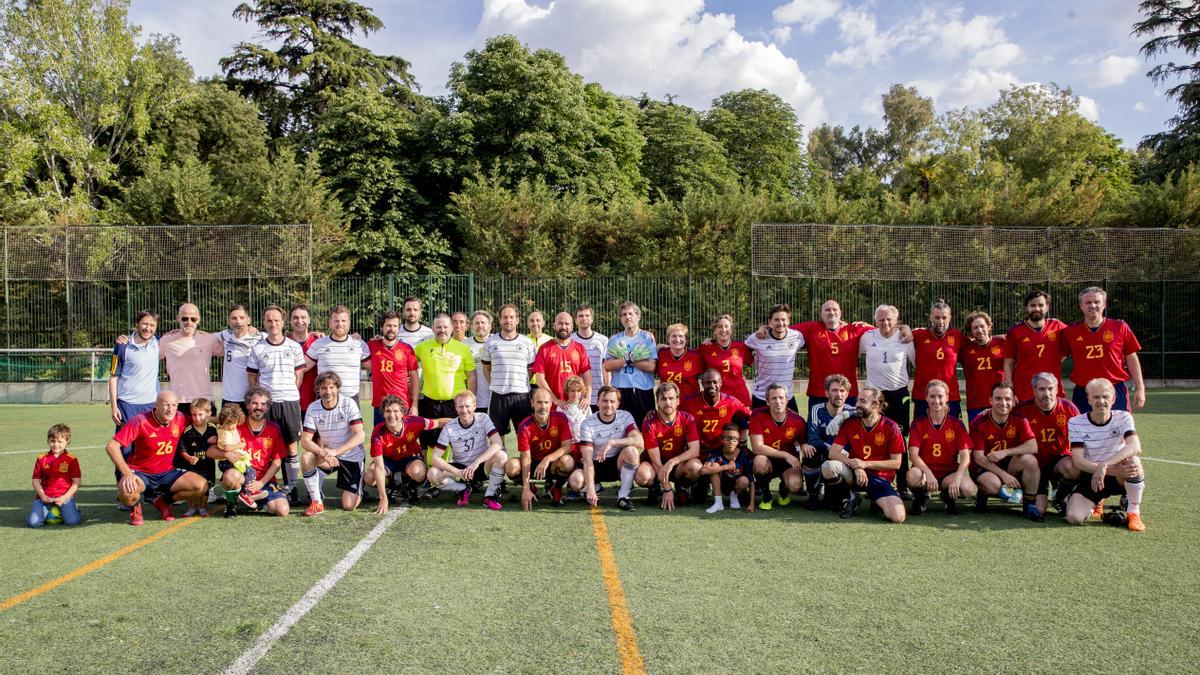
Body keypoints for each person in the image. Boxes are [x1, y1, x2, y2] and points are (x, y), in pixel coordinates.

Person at [106, 391, 208, 525]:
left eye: (174, 405)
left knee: (201, 486)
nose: (170, 409)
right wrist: (127, 474)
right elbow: (112, 446)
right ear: (156, 405)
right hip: (141, 473)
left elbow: (200, 420)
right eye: (166, 405)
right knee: (127, 493)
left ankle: (163, 501)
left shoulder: (180, 418)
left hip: (168, 473)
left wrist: (223, 421)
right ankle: (135, 507)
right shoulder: (140, 421)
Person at [1064, 378, 1146, 531]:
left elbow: (1135, 445)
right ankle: (1098, 500)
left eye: (1105, 396)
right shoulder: (1076, 422)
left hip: (1119, 474)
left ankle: (1134, 512)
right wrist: (1103, 469)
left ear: (1113, 399)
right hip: (1093, 477)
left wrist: (1104, 465)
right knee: (1073, 517)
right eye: (1096, 397)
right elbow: (1078, 461)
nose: (1101, 401)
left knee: (1133, 463)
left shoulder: (1123, 417)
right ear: (1089, 399)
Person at [246, 305, 305, 500]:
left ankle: (291, 488)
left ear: (283, 322)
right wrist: (262, 397)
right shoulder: (258, 348)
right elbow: (252, 377)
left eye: (276, 320)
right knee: (267, 446)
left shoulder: (294, 347)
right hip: (267, 405)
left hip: (289, 402)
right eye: (269, 320)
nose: (273, 324)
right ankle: (263, 485)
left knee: (291, 447)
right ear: (264, 323)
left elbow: (299, 375)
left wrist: (288, 391)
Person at [822, 387, 906, 522]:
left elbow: (896, 463)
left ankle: (875, 499)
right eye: (857, 400)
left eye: (863, 401)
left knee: (898, 517)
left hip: (880, 478)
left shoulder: (891, 427)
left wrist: (865, 464)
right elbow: (833, 453)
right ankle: (850, 497)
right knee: (828, 467)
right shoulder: (850, 423)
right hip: (854, 473)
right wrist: (857, 466)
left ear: (876, 404)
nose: (857, 405)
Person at [1059, 286, 1146, 413]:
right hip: (1083, 391)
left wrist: (1140, 387)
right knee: (1084, 432)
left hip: (1114, 389)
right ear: (1081, 306)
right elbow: (1058, 358)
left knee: (1120, 431)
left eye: (1096, 302)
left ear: (1104, 304)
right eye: (1088, 302)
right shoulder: (1070, 332)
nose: (1092, 305)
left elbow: (1131, 356)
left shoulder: (1119, 327)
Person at [860, 304, 915, 497]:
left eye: (889, 319)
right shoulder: (867, 337)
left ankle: (902, 484)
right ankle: (872, 482)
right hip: (875, 395)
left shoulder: (905, 338)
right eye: (881, 319)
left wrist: (906, 328)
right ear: (875, 321)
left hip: (898, 394)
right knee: (873, 437)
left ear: (896, 320)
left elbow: (917, 363)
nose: (885, 322)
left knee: (900, 439)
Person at [365, 394, 450, 513]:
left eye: (396, 411)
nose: (392, 415)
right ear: (383, 413)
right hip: (388, 460)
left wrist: (460, 420)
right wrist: (383, 497)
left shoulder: (413, 422)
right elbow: (379, 466)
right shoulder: (378, 432)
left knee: (418, 472)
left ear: (402, 413)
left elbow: (438, 422)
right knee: (369, 477)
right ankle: (391, 486)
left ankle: (413, 485)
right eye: (388, 411)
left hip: (409, 457)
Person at [970, 382, 1042, 521]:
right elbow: (978, 458)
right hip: (985, 468)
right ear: (990, 400)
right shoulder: (979, 422)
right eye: (998, 398)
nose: (1003, 403)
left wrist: (1006, 452)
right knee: (992, 485)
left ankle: (1029, 505)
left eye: (1008, 399)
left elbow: (1033, 446)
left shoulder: (1020, 419)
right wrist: (1004, 476)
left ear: (1013, 400)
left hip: (1010, 465)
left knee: (1030, 460)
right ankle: (983, 493)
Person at [212, 387, 289, 517]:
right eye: (254, 403)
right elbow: (211, 451)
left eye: (263, 404)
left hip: (263, 480)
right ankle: (231, 505)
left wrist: (261, 483)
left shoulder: (274, 429)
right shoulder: (234, 425)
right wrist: (226, 454)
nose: (258, 407)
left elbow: (276, 463)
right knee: (231, 477)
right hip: (241, 476)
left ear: (267, 407)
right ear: (247, 405)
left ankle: (258, 501)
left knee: (282, 510)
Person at [300, 372, 367, 516]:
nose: (328, 391)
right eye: (324, 388)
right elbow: (305, 440)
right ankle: (317, 502)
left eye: (331, 387)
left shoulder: (348, 403)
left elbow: (360, 435)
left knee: (349, 506)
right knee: (306, 458)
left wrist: (336, 451)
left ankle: (359, 480)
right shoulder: (313, 407)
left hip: (352, 457)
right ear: (318, 389)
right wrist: (323, 453)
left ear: (337, 388)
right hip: (328, 456)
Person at [427, 390, 507, 510]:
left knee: (501, 455)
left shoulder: (483, 418)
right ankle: (462, 489)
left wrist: (476, 463)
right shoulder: (449, 427)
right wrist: (457, 472)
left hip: (481, 466)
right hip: (462, 468)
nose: (464, 410)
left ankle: (490, 496)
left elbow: (497, 443)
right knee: (432, 474)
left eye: (467, 406)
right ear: (456, 407)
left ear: (474, 406)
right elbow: (435, 458)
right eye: (460, 406)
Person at [1015, 372, 1081, 515]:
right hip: (1035, 464)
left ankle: (1059, 496)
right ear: (1034, 391)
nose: (1047, 393)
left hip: (1059, 460)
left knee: (1073, 467)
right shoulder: (1022, 410)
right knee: (1039, 510)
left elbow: (1082, 440)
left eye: (1050, 388)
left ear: (1057, 390)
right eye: (1042, 389)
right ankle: (1028, 492)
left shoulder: (1069, 408)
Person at [905, 380, 975, 516]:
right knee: (912, 475)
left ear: (947, 397)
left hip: (948, 473)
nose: (936, 401)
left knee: (968, 489)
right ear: (926, 397)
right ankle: (920, 498)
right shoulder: (918, 423)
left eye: (940, 396)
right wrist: (929, 473)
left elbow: (965, 457)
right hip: (925, 474)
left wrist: (957, 479)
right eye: (932, 396)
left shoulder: (956, 424)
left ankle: (947, 496)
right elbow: (913, 455)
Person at [789, 299, 876, 408]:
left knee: (848, 425)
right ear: (821, 314)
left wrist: (903, 328)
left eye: (835, 309)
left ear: (840, 313)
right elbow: (782, 330)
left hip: (847, 393)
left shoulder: (854, 329)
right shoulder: (811, 329)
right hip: (819, 392)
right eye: (827, 310)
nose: (831, 312)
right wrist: (766, 328)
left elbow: (885, 330)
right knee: (817, 425)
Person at [414, 314, 478, 452]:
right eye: (438, 327)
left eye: (445, 327)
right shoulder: (422, 347)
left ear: (451, 328)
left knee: (457, 441)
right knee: (431, 443)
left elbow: (471, 376)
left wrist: (471, 400)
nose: (442, 330)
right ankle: (432, 471)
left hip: (455, 404)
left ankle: (457, 472)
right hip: (430, 403)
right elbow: (405, 358)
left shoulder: (462, 348)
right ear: (432, 328)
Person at [574, 386, 644, 511]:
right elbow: (587, 459)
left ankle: (623, 497)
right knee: (575, 481)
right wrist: (590, 489)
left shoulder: (625, 416)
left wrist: (613, 442)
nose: (608, 404)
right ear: (597, 402)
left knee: (632, 451)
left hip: (616, 464)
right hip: (595, 465)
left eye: (612, 401)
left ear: (618, 404)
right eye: (605, 400)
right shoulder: (588, 423)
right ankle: (595, 486)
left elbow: (639, 441)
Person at [637, 382, 702, 511]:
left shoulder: (688, 419)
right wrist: (667, 489)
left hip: (677, 466)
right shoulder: (649, 423)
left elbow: (695, 450)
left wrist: (672, 462)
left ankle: (682, 488)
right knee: (642, 475)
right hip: (655, 466)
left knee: (695, 466)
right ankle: (656, 487)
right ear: (658, 402)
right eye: (663, 399)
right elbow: (656, 461)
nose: (667, 402)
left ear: (678, 400)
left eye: (671, 398)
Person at [508, 388, 575, 509]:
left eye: (545, 402)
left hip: (553, 464)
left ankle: (557, 488)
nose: (543, 406)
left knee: (568, 461)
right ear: (532, 403)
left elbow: (567, 447)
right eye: (539, 402)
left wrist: (547, 459)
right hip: (533, 465)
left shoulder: (560, 418)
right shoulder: (525, 426)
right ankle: (531, 489)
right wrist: (526, 488)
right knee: (511, 466)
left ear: (551, 403)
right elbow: (526, 458)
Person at [748, 382, 808, 511]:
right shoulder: (757, 415)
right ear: (767, 401)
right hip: (768, 458)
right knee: (759, 462)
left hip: (789, 463)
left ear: (787, 400)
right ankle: (766, 495)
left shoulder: (798, 421)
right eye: (773, 398)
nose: (778, 401)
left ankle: (783, 490)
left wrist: (804, 449)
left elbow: (804, 444)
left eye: (781, 398)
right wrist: (786, 455)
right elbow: (757, 448)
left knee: (795, 485)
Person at [158, 303, 223, 417]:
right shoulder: (166, 340)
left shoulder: (209, 339)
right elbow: (147, 352)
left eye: (193, 319)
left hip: (204, 400)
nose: (189, 322)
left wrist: (249, 330)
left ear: (198, 319)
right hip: (178, 402)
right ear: (178, 318)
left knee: (210, 435)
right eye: (185, 318)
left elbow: (233, 348)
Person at [481, 304, 536, 439]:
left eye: (512, 317)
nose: (508, 320)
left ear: (517, 320)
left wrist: (519, 383)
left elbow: (531, 369)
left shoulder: (527, 343)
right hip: (498, 396)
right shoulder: (490, 342)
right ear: (500, 320)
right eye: (505, 317)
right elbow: (486, 368)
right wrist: (495, 383)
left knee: (525, 437)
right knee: (497, 439)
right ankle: (501, 460)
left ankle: (526, 461)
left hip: (521, 396)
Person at [1002, 290, 1066, 404]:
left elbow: (1071, 347)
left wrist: (1056, 359)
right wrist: (1010, 390)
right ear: (1027, 307)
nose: (1036, 308)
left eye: (1040, 305)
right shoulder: (1015, 331)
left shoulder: (1058, 327)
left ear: (1047, 307)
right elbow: (1008, 363)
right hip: (1024, 390)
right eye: (1032, 305)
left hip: (1051, 389)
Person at [805, 374, 856, 510]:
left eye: (842, 391)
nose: (838, 394)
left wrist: (844, 415)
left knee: (833, 504)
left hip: (845, 457)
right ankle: (813, 495)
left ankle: (843, 493)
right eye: (834, 390)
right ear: (826, 393)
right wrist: (832, 450)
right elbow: (813, 438)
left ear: (847, 394)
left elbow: (871, 412)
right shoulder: (817, 409)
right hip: (825, 451)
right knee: (810, 451)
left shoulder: (852, 411)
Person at [743, 304, 805, 411]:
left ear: (788, 321)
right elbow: (740, 349)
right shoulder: (757, 337)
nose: (780, 323)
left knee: (796, 427)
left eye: (783, 319)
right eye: (776, 320)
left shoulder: (797, 337)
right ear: (769, 321)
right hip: (761, 396)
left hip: (786, 397)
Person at [604, 301, 658, 424]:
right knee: (621, 428)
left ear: (638, 317)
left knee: (645, 427)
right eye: (624, 315)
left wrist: (631, 360)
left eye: (630, 314)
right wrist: (625, 360)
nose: (627, 317)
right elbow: (607, 366)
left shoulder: (647, 337)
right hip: (621, 390)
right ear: (620, 319)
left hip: (642, 391)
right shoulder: (614, 339)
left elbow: (651, 367)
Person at [305, 305, 370, 402]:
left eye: (343, 321)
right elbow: (301, 367)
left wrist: (382, 342)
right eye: (336, 321)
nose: (340, 324)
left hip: (351, 400)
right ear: (330, 324)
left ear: (349, 323)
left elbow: (375, 367)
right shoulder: (318, 344)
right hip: (325, 399)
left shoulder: (359, 345)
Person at [912, 299, 964, 420]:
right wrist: (904, 327)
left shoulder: (957, 336)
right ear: (930, 318)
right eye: (937, 317)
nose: (941, 321)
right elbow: (893, 330)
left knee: (951, 436)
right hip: (923, 397)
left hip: (950, 397)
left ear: (950, 318)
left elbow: (979, 342)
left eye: (944, 317)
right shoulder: (918, 335)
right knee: (923, 435)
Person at [108, 309, 160, 431]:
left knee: (149, 447)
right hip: (127, 405)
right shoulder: (122, 346)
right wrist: (114, 407)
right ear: (137, 324)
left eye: (152, 325)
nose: (148, 328)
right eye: (145, 324)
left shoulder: (157, 343)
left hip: (152, 405)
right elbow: (113, 377)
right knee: (126, 449)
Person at [680, 369, 751, 457]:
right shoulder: (689, 403)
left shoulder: (731, 402)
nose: (712, 385)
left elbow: (751, 415)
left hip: (723, 450)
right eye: (708, 382)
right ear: (702, 383)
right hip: (699, 450)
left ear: (721, 382)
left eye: (715, 382)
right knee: (693, 468)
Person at [367, 310, 420, 424]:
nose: (391, 329)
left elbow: (414, 377)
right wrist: (354, 336)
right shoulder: (372, 345)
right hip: (380, 406)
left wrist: (414, 405)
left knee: (404, 440)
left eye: (395, 326)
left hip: (402, 405)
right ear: (382, 327)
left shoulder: (407, 349)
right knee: (381, 440)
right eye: (388, 325)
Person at [532, 312, 592, 409]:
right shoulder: (544, 349)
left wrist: (588, 397)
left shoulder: (579, 348)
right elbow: (539, 379)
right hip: (552, 406)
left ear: (572, 327)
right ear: (554, 326)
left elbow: (587, 376)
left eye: (567, 324)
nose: (563, 326)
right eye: (560, 323)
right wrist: (555, 400)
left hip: (574, 405)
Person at [29, 424, 82, 528]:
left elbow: (76, 482)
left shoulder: (72, 459)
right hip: (45, 497)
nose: (56, 444)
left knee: (73, 522)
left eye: (60, 441)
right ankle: (44, 509)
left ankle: (73, 508)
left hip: (64, 496)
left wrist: (64, 498)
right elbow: (35, 480)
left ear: (67, 442)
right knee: (33, 523)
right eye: (52, 441)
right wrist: (42, 495)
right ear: (48, 441)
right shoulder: (41, 458)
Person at [959, 311, 1006, 421]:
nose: (979, 330)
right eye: (975, 328)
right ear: (971, 331)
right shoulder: (965, 349)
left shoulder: (1003, 343)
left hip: (1001, 400)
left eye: (982, 326)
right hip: (976, 403)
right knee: (978, 436)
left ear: (989, 326)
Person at [698, 314, 753, 407]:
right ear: (714, 331)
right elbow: (687, 356)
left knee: (744, 421)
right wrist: (668, 349)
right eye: (719, 327)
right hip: (717, 397)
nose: (723, 330)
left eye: (726, 326)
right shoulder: (706, 348)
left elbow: (754, 360)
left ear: (731, 330)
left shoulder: (741, 346)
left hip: (740, 397)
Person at [175, 397, 216, 517]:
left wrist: (218, 441)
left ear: (208, 413)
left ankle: (203, 508)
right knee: (192, 487)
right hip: (192, 466)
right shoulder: (187, 431)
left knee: (206, 487)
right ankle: (191, 508)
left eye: (200, 415)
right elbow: (182, 450)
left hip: (208, 465)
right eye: (194, 415)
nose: (197, 418)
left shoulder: (213, 429)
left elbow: (220, 444)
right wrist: (189, 458)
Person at [217, 304, 262, 410]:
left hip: (251, 398)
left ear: (248, 320)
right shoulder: (225, 335)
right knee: (228, 427)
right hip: (229, 398)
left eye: (242, 318)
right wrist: (179, 332)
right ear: (229, 321)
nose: (238, 321)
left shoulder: (260, 338)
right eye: (234, 318)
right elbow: (202, 337)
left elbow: (279, 339)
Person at [701, 424, 754, 513]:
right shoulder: (716, 452)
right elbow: (703, 470)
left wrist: (751, 504)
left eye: (734, 439)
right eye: (728, 438)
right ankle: (718, 503)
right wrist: (726, 467)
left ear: (738, 441)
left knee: (745, 480)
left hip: (737, 485)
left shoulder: (744, 454)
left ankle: (734, 495)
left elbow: (751, 481)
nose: (731, 442)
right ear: (722, 440)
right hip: (721, 484)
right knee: (714, 466)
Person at [214, 404, 258, 511]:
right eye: (227, 423)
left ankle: (245, 492)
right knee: (250, 472)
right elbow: (227, 447)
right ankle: (246, 494)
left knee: (247, 473)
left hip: (230, 460)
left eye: (233, 423)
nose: (230, 426)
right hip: (228, 461)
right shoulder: (226, 433)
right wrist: (240, 445)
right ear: (223, 422)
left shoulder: (226, 429)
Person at [571, 304, 610, 410]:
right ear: (576, 320)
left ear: (592, 319)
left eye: (587, 315)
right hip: (576, 395)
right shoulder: (570, 340)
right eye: (580, 316)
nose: (584, 318)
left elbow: (606, 366)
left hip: (598, 393)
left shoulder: (603, 340)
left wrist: (608, 387)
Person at [656, 323, 705, 400]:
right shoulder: (661, 353)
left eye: (681, 336)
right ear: (668, 339)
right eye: (674, 336)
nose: (677, 339)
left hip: (690, 404)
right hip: (668, 404)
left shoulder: (696, 356)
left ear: (686, 339)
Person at [289, 304, 323, 415]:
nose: (299, 321)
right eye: (295, 317)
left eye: (303, 317)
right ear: (290, 321)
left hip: (315, 400)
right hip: (290, 400)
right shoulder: (283, 342)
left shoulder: (320, 341)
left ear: (309, 320)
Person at [463, 310, 493, 413]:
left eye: (483, 322)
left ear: (490, 325)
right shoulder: (464, 345)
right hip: (473, 401)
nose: (480, 325)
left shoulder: (497, 342)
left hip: (496, 399)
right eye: (476, 323)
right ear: (471, 327)